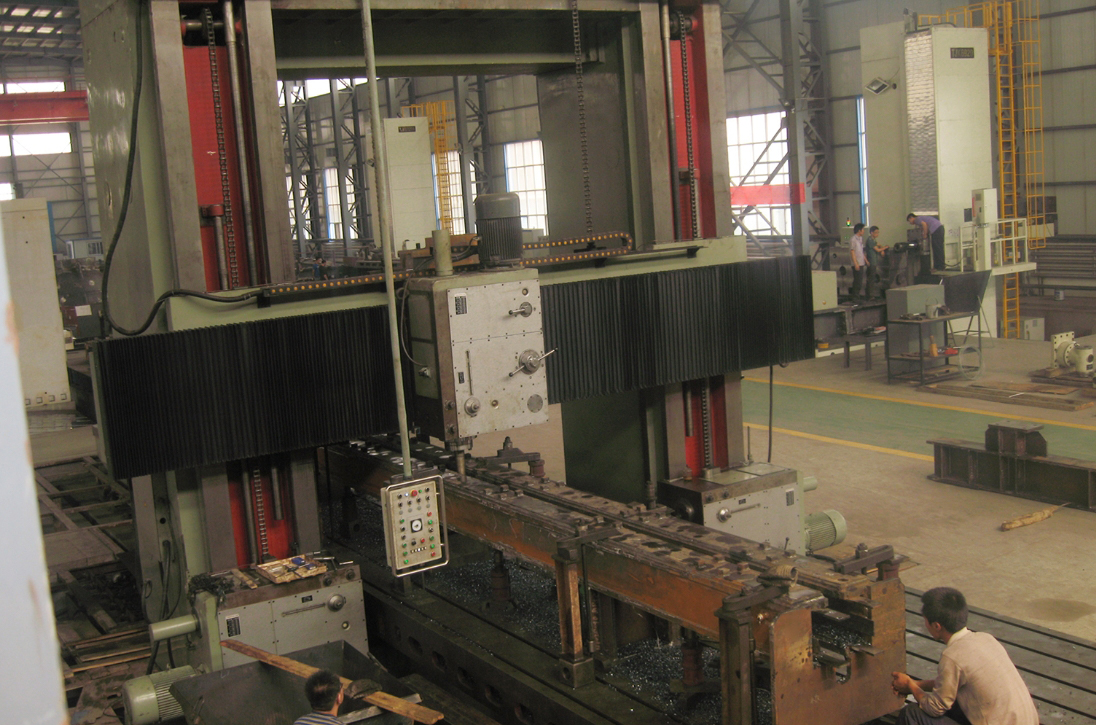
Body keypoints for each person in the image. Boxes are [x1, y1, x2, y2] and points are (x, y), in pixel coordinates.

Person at [891, 587, 1038, 725]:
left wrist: (910, 685)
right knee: (955, 701)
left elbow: (934, 708)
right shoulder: (986, 638)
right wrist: (917, 684)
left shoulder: (952, 656)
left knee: (911, 714)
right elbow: (950, 685)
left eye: (925, 621)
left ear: (936, 626)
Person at [865, 225, 889, 298]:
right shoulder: (870, 240)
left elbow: (878, 245)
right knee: (871, 279)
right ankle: (870, 295)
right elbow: (877, 249)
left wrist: (882, 248)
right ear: (871, 232)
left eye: (878, 232)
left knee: (872, 278)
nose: (877, 234)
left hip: (874, 261)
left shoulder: (873, 240)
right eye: (876, 232)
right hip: (871, 261)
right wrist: (885, 248)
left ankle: (870, 294)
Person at [849, 223, 868, 302]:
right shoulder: (853, 239)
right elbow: (852, 251)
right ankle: (855, 297)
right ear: (859, 230)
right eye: (863, 229)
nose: (863, 231)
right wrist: (855, 263)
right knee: (857, 281)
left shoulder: (860, 239)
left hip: (861, 262)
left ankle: (857, 296)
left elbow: (861, 251)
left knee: (860, 281)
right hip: (857, 263)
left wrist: (865, 260)